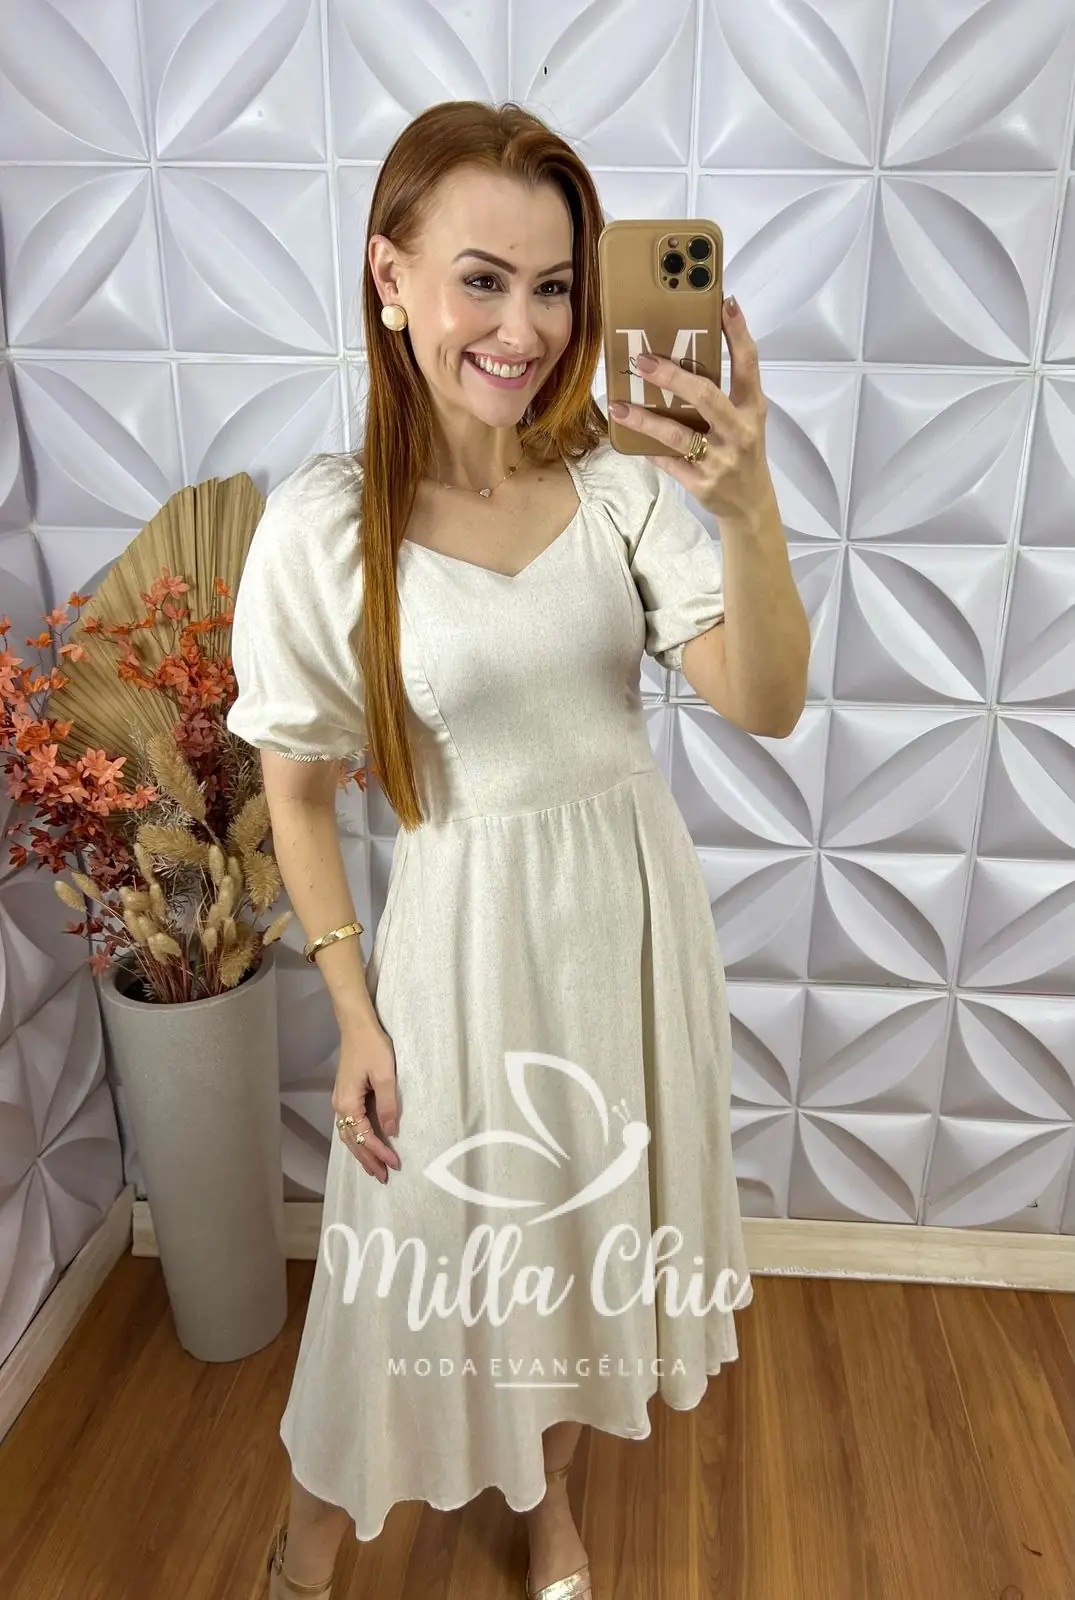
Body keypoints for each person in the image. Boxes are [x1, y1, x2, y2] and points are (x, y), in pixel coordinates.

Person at [226, 98, 808, 1600]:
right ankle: (303, 1551)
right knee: (400, 1281)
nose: (524, 328)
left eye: (554, 287)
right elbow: (298, 793)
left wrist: (747, 508)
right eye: (480, 279)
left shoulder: (618, 485)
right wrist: (353, 1011)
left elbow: (765, 703)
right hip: (459, 959)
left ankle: (547, 1510)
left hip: (629, 936)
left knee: (574, 1254)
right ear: (389, 275)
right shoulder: (326, 527)